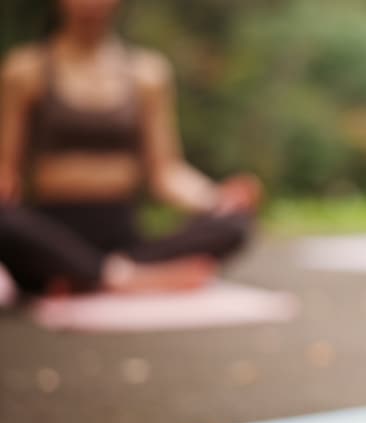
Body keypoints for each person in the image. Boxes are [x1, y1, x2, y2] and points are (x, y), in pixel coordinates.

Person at [0, 0, 260, 297]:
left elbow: (166, 172)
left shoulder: (147, 73)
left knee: (235, 223)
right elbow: (7, 168)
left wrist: (216, 198)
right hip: (51, 234)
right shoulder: (24, 69)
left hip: (123, 236)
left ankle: (92, 274)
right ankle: (119, 276)